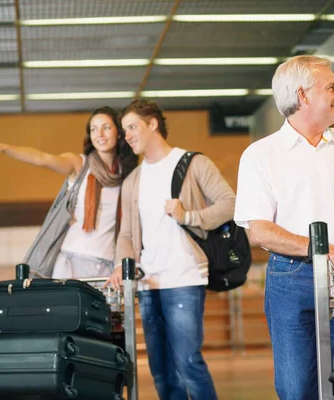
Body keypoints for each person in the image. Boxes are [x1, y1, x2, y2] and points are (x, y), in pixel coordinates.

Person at [234, 55, 334, 400]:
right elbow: (259, 230)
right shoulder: (260, 155)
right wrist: (316, 248)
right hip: (293, 278)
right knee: (297, 388)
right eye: (331, 88)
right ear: (303, 95)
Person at [105, 99, 235, 400]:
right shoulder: (133, 180)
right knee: (160, 369)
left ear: (153, 124)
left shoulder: (193, 163)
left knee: (187, 362)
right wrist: (120, 264)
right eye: (124, 131)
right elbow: (126, 234)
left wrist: (189, 216)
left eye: (132, 127)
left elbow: (230, 204)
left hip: (185, 278)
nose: (127, 135)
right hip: (148, 283)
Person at [0, 106, 138, 279]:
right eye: (93, 129)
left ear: (119, 133)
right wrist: (5, 148)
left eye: (106, 127)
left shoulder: (127, 175)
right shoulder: (80, 165)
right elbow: (42, 159)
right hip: (71, 259)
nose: (99, 134)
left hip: (108, 263)